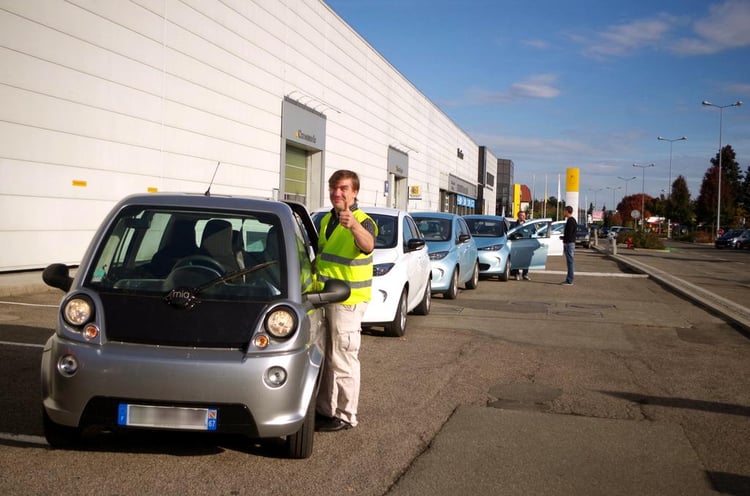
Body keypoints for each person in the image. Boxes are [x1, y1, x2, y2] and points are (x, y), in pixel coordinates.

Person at [314, 169, 377, 432]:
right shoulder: (326, 220)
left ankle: (345, 414)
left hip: (347, 302)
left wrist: (353, 225)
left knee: (343, 358)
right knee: (326, 357)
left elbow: (369, 244)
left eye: (342, 188)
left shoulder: (363, 221)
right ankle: (326, 410)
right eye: (333, 188)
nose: (336, 193)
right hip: (323, 299)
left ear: (354, 192)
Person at [561, 206, 577, 285]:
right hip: (570, 243)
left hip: (569, 243)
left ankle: (569, 280)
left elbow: (569, 233)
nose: (564, 212)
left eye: (564, 211)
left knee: (570, 262)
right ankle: (569, 279)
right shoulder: (572, 220)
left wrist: (564, 239)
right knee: (569, 262)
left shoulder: (570, 221)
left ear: (567, 211)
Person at [512, 211, 530, 281]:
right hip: (517, 245)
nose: (522, 217)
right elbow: (511, 233)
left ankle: (525, 274)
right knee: (517, 260)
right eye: (521, 215)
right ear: (518, 216)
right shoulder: (514, 225)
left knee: (526, 260)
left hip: (526, 245)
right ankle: (516, 274)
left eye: (523, 215)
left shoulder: (528, 225)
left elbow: (532, 233)